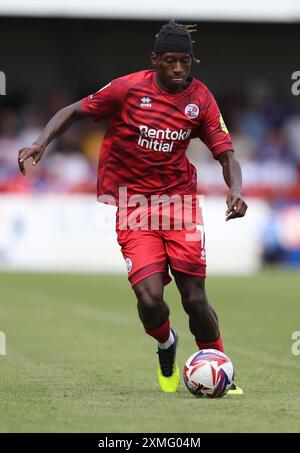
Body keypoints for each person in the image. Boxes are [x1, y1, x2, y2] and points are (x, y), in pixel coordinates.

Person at [18, 21, 247, 395]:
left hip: (180, 204)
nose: (178, 69)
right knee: (150, 298)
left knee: (194, 297)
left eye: (184, 62)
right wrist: (41, 143)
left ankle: (219, 366)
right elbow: (75, 111)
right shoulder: (128, 89)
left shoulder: (201, 99)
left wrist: (236, 188)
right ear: (154, 60)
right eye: (170, 61)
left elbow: (226, 153)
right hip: (134, 205)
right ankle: (166, 344)